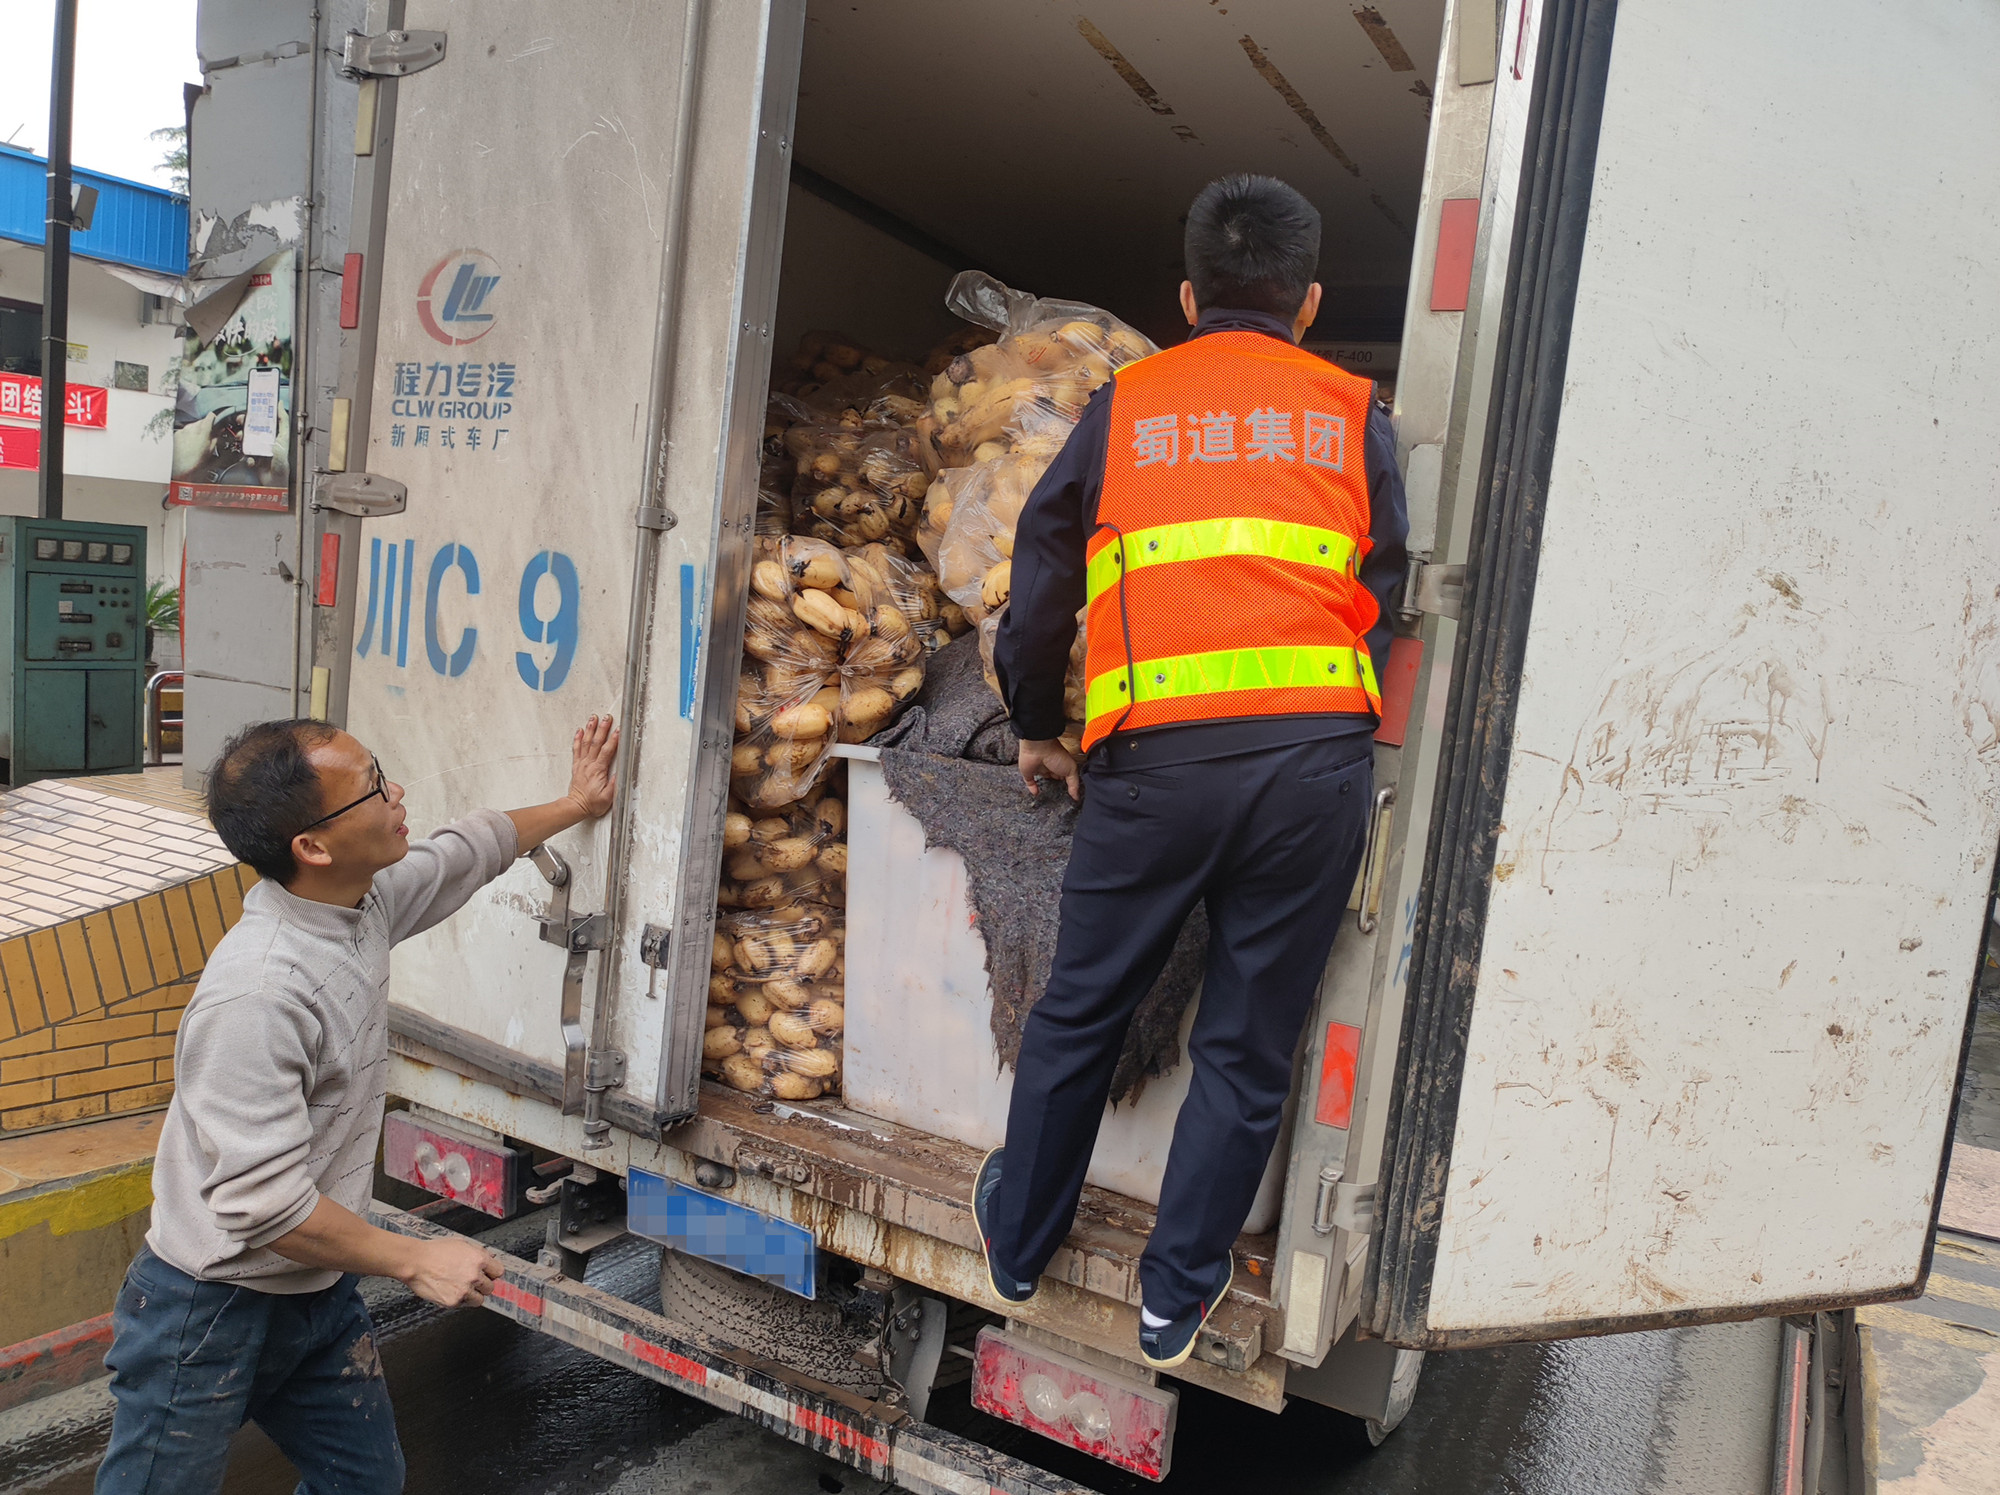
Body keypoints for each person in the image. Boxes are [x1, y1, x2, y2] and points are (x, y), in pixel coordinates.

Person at [976, 175, 1409, 1369]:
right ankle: (1175, 1294)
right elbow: (1382, 587)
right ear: (1308, 303)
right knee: (1245, 1039)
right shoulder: (1351, 414)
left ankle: (1019, 1243)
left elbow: (1041, 574)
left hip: (1151, 768)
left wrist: (1034, 720)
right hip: (1309, 772)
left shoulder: (1129, 405)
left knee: (1080, 1006)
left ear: (1183, 298)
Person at [96, 714, 620, 1493]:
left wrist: (576, 803)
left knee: (364, 1483)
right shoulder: (258, 995)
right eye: (373, 787)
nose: (396, 791)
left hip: (315, 1291)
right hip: (208, 1310)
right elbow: (261, 1203)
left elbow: (469, 848)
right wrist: (418, 1256)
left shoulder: (359, 902)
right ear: (313, 846)